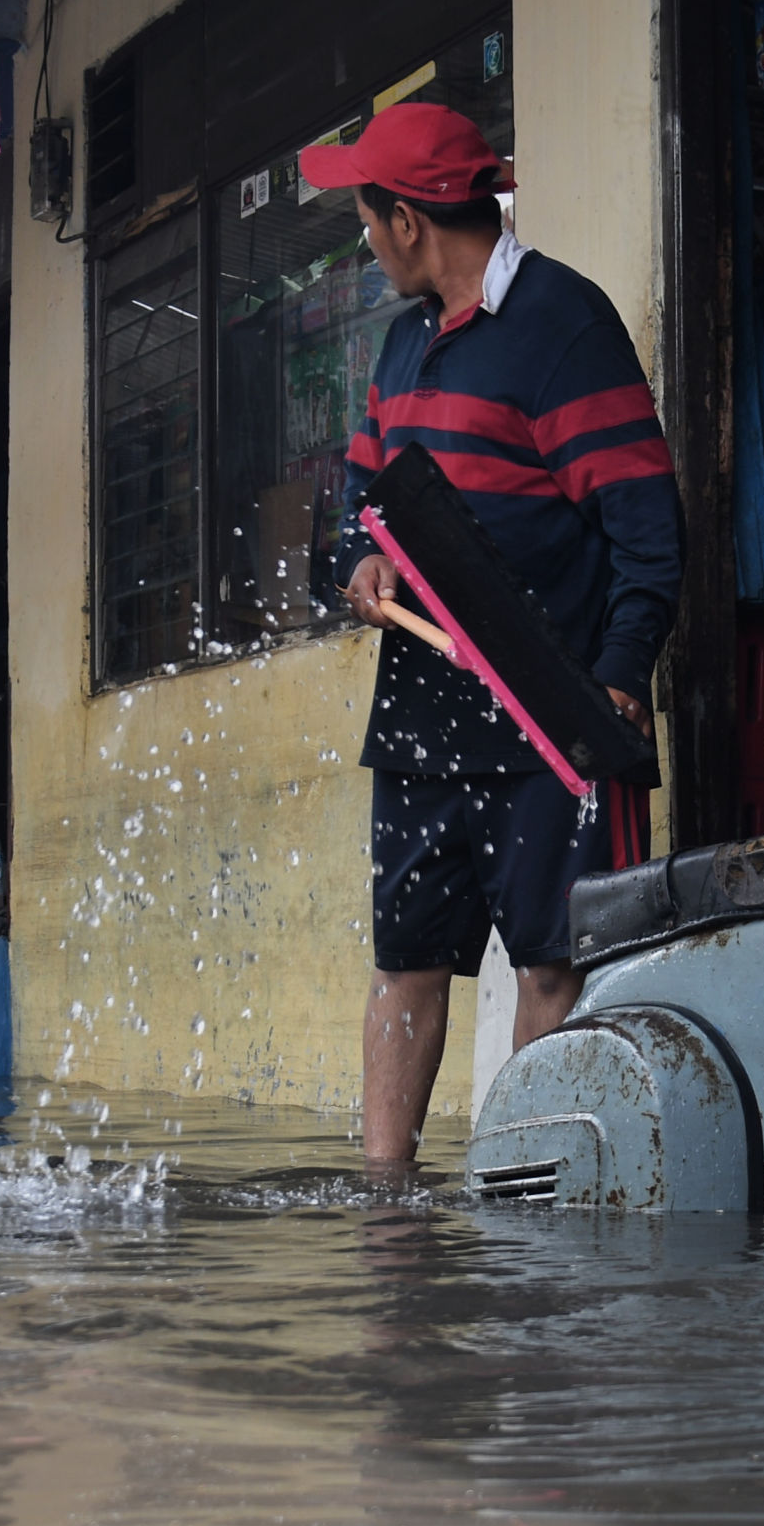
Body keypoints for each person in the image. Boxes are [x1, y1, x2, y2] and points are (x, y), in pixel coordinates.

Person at [302, 103, 684, 1168]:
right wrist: (361, 561)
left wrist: (614, 682)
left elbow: (649, 532)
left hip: (552, 710)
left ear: (411, 221)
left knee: (552, 968)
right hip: (423, 708)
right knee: (407, 963)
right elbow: (362, 502)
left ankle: (527, 1205)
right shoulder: (402, 341)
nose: (365, 239)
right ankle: (388, 1209)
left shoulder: (564, 326)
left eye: (368, 218)